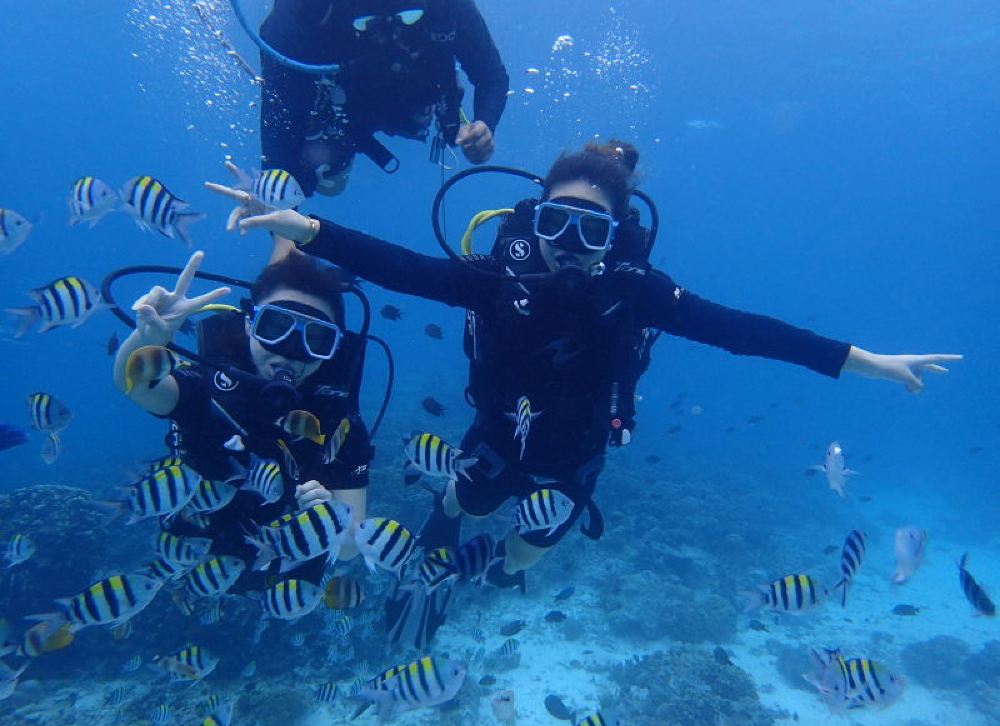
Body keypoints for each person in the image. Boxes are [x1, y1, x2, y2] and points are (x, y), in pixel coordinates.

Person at [206, 141, 961, 642]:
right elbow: (405, 269)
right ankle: (434, 555)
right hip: (496, 433)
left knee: (525, 554)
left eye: (591, 232)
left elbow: (744, 330)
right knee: (462, 502)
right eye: (558, 224)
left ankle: (491, 573)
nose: (571, 244)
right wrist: (306, 227)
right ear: (533, 221)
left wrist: (871, 361)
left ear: (615, 240)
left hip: (577, 454)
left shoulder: (635, 291)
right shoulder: (497, 279)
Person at [112, 251, 374, 591]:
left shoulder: (339, 424)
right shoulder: (209, 387)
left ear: (334, 348)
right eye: (275, 327)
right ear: (249, 322)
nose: (290, 351)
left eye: (316, 339)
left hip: (283, 580)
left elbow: (352, 548)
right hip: (194, 559)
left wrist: (331, 519)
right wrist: (146, 339)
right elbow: (133, 386)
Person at [259, 0, 509, 196]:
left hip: (414, 102)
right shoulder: (300, 12)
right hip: (341, 111)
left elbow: (491, 75)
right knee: (326, 177)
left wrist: (485, 123)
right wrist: (281, 226)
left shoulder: (448, 4)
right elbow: (281, 115)